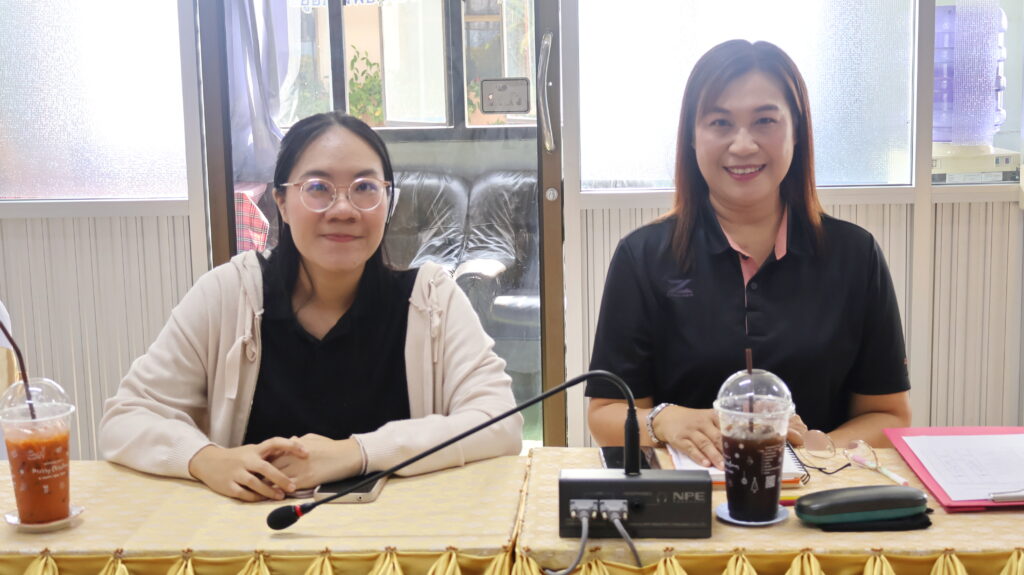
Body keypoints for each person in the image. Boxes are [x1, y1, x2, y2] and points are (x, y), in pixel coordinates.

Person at [99, 112, 522, 501]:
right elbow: (126, 417)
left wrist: (356, 452)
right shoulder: (230, 294)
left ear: (388, 202)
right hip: (255, 541)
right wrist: (205, 459)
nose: (343, 209)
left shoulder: (431, 300)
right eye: (318, 188)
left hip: (398, 541)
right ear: (281, 202)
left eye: (365, 188)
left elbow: (500, 421)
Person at [585, 40, 911, 470]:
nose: (742, 145)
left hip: (818, 496)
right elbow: (605, 414)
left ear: (797, 132)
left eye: (765, 121)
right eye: (720, 122)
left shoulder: (855, 255)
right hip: (689, 499)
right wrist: (664, 420)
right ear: (692, 137)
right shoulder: (641, 257)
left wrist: (811, 450)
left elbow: (889, 415)